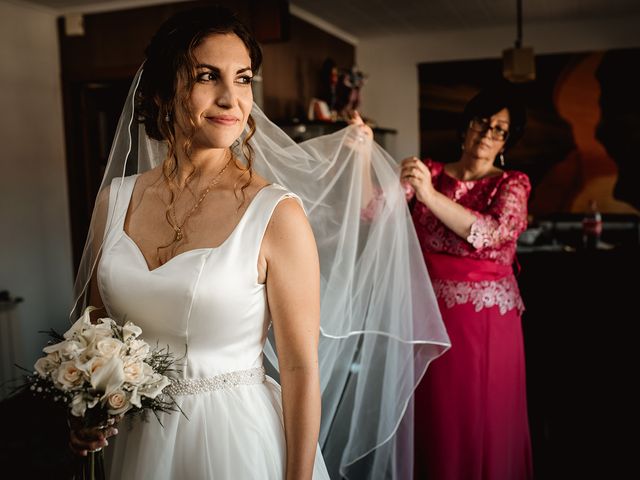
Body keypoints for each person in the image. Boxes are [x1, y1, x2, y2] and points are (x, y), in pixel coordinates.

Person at [67, 6, 449, 480]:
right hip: (138, 444)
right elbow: (98, 333)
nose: (231, 98)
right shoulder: (114, 202)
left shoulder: (276, 215)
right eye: (207, 76)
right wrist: (87, 409)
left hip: (234, 444)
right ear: (164, 90)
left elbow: (300, 372)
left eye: (244, 78)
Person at [400, 84, 534, 480]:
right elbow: (374, 210)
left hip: (487, 321)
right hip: (427, 314)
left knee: (483, 414)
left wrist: (428, 195)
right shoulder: (429, 172)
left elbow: (490, 233)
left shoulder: (512, 184)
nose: (488, 134)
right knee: (436, 414)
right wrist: (361, 152)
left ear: (506, 141)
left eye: (500, 129)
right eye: (482, 123)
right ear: (466, 128)